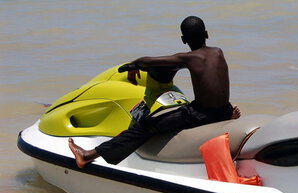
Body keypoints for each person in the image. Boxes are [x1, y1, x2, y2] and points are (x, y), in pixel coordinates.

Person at [69, 16, 240, 168]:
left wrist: (132, 65)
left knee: (145, 126)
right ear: (207, 34)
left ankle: (88, 155)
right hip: (224, 109)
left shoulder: (188, 58)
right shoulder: (218, 52)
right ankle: (227, 118)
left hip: (201, 115)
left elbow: (149, 61)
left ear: (183, 39)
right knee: (192, 109)